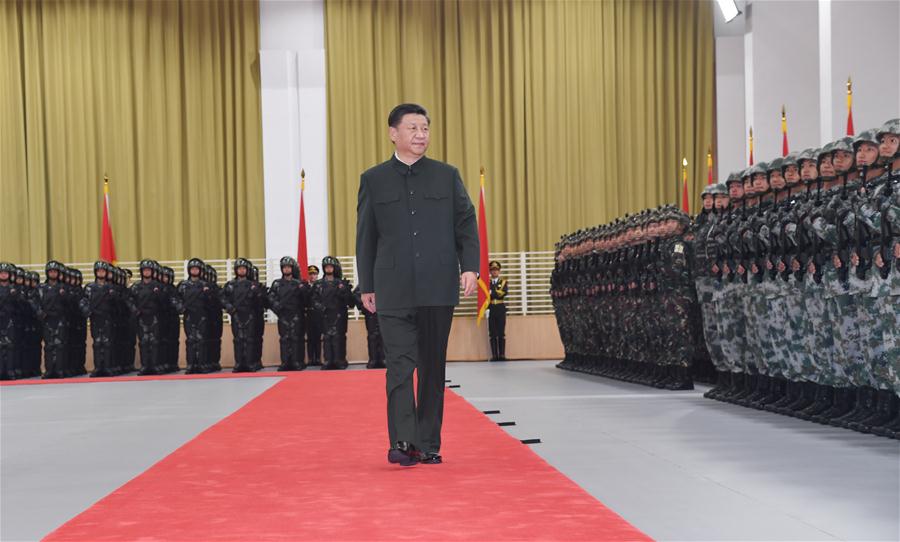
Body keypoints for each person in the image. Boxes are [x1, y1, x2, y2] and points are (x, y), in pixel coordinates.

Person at [356, 103, 479, 466]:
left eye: (425, 128)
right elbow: (366, 236)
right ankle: (402, 441)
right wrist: (367, 285)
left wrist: (469, 267)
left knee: (431, 367)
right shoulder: (373, 179)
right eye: (413, 128)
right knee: (398, 366)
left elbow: (466, 224)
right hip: (392, 287)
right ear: (393, 133)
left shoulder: (446, 176)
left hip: (437, 287)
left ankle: (428, 443)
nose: (421, 135)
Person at [311, 256, 354, 370]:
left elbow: (350, 302)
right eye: (326, 267)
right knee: (327, 337)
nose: (328, 269)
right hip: (324, 315)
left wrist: (344, 291)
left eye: (330, 266)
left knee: (338, 337)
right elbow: (313, 300)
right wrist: (320, 307)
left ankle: (339, 360)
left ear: (334, 268)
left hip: (339, 314)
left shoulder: (341, 283)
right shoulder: (318, 284)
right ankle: (328, 360)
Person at [269, 256, 310, 371]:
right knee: (284, 339)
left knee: (297, 339)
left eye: (288, 267)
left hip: (296, 314)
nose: (286, 269)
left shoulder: (299, 283)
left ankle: (298, 362)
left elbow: (306, 301)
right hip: (283, 315)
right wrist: (275, 306)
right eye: (284, 267)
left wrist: (304, 290)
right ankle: (285, 362)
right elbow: (270, 298)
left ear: (292, 268)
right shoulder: (277, 284)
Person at [487, 260, 508, 361]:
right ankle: (494, 355)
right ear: (490, 272)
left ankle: (502, 355)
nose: (494, 272)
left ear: (499, 271)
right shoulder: (486, 283)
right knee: (492, 333)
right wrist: (493, 293)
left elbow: (503, 293)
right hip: (490, 308)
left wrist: (491, 292)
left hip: (500, 308)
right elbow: (485, 296)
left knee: (501, 332)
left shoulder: (503, 282)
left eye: (496, 270)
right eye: (492, 270)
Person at [305, 264, 323, 366]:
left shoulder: (320, 286)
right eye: (310, 274)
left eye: (314, 274)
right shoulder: (305, 286)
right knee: (310, 338)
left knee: (318, 337)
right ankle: (311, 359)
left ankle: (318, 359)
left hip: (318, 314)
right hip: (308, 313)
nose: (312, 276)